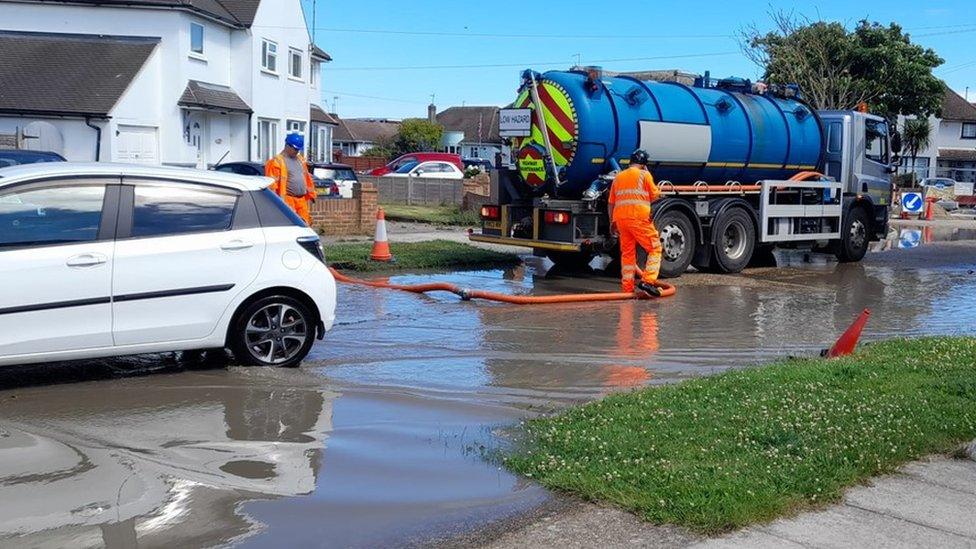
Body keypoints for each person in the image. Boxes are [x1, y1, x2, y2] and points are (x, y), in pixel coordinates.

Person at [608, 149, 663, 297]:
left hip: (621, 220)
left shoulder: (618, 177)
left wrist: (612, 223)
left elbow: (611, 203)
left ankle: (627, 289)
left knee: (628, 254)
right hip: (638, 218)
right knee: (655, 248)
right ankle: (648, 281)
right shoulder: (644, 175)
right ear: (644, 164)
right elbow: (655, 196)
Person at [265, 133, 316, 225]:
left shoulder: (300, 160)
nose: (297, 151)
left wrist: (311, 194)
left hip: (301, 200)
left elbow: (306, 178)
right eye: (295, 149)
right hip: (288, 200)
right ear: (287, 146)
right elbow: (271, 186)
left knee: (305, 225)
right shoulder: (276, 162)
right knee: (291, 225)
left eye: (298, 149)